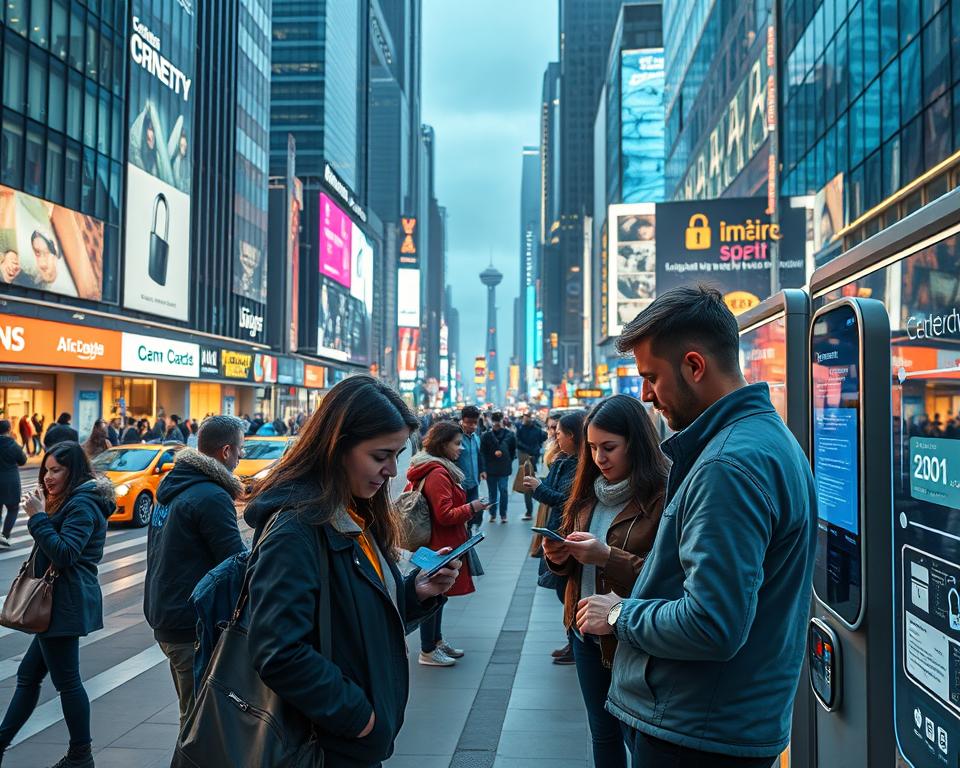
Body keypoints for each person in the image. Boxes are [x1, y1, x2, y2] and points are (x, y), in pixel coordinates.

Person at [579, 286, 817, 767]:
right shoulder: (764, 439)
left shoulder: (727, 465)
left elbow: (712, 624)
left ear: (694, 366)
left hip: (698, 732)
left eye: (651, 377)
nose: (645, 394)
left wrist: (621, 614)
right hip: (720, 721)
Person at [241, 375, 461, 766]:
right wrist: (359, 718)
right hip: (325, 746)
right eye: (381, 456)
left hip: (353, 742)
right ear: (337, 447)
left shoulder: (356, 514)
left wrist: (415, 593)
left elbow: (356, 616)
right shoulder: (296, 529)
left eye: (397, 455)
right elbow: (278, 651)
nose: (393, 470)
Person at [542, 396, 667, 768]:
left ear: (636, 443)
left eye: (609, 447)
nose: (599, 458)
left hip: (634, 636)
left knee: (640, 738)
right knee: (602, 732)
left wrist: (607, 557)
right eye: (593, 447)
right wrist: (558, 557)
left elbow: (666, 577)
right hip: (584, 635)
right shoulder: (585, 494)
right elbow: (575, 570)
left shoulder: (663, 497)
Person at [0, 441, 115, 768]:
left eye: (56, 470)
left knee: (67, 681)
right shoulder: (72, 500)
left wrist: (38, 518)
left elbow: (65, 553)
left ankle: (81, 755)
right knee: (29, 676)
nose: (48, 477)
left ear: (73, 470)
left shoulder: (83, 504)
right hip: (59, 603)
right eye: (46, 470)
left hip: (64, 603)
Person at [143, 416, 247, 732]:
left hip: (166, 615)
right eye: (240, 450)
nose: (241, 458)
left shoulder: (173, 486)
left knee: (192, 715)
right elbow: (235, 563)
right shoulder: (211, 496)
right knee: (200, 726)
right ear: (226, 451)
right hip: (192, 623)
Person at [405, 421, 489, 667]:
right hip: (440, 543)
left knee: (440, 594)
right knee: (433, 593)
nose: (461, 448)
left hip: (441, 541)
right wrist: (473, 507)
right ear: (443, 444)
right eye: (456, 443)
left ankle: (437, 641)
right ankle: (428, 650)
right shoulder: (438, 473)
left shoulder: (437, 468)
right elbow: (445, 514)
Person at [524, 410, 584, 665]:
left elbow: (568, 501)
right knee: (564, 591)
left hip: (570, 535)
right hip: (557, 532)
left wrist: (539, 489)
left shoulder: (580, 466)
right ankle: (572, 641)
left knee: (570, 591)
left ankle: (577, 643)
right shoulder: (563, 461)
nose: (555, 437)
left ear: (572, 435)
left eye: (558, 433)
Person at [479, 412, 516, 524]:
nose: (496, 423)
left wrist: (507, 459)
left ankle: (503, 514)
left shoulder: (510, 435)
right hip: (490, 469)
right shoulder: (486, 436)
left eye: (498, 420)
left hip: (504, 468)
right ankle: (493, 513)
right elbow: (482, 454)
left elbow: (513, 451)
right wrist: (483, 470)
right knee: (492, 493)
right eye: (495, 421)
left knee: (504, 490)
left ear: (502, 421)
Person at [455, 405, 486, 532]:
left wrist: (482, 470)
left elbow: (479, 454)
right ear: (462, 420)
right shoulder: (456, 437)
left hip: (474, 482)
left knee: (475, 512)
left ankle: (470, 531)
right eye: (469, 423)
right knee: (463, 515)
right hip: (460, 484)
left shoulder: (476, 437)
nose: (472, 426)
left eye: (475, 423)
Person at [515, 412, 547, 521]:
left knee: (530, 486)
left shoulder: (536, 429)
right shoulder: (521, 428)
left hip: (533, 460)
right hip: (527, 460)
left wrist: (534, 451)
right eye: (526, 417)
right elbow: (517, 442)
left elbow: (543, 437)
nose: (527, 419)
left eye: (528, 417)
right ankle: (530, 511)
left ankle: (532, 511)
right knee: (528, 486)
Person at [0, 419, 27, 547]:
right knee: (13, 508)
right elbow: (22, 460)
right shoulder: (12, 444)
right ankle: (5, 535)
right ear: (9, 430)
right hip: (10, 481)